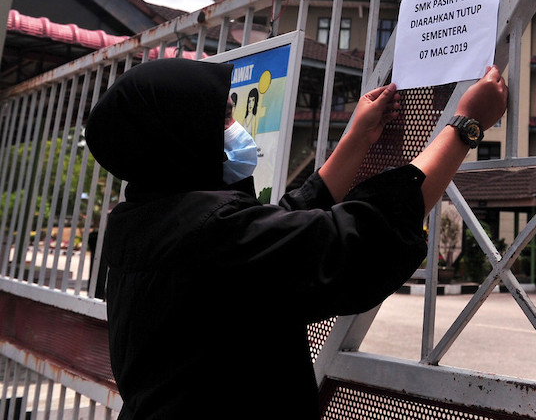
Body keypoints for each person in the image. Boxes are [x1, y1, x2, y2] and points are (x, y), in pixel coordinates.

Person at [84, 58, 507, 420]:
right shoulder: (207, 235)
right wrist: (464, 127)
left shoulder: (142, 222)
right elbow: (356, 242)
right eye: (224, 118)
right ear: (181, 135)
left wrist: (356, 139)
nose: (237, 128)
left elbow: (279, 227)